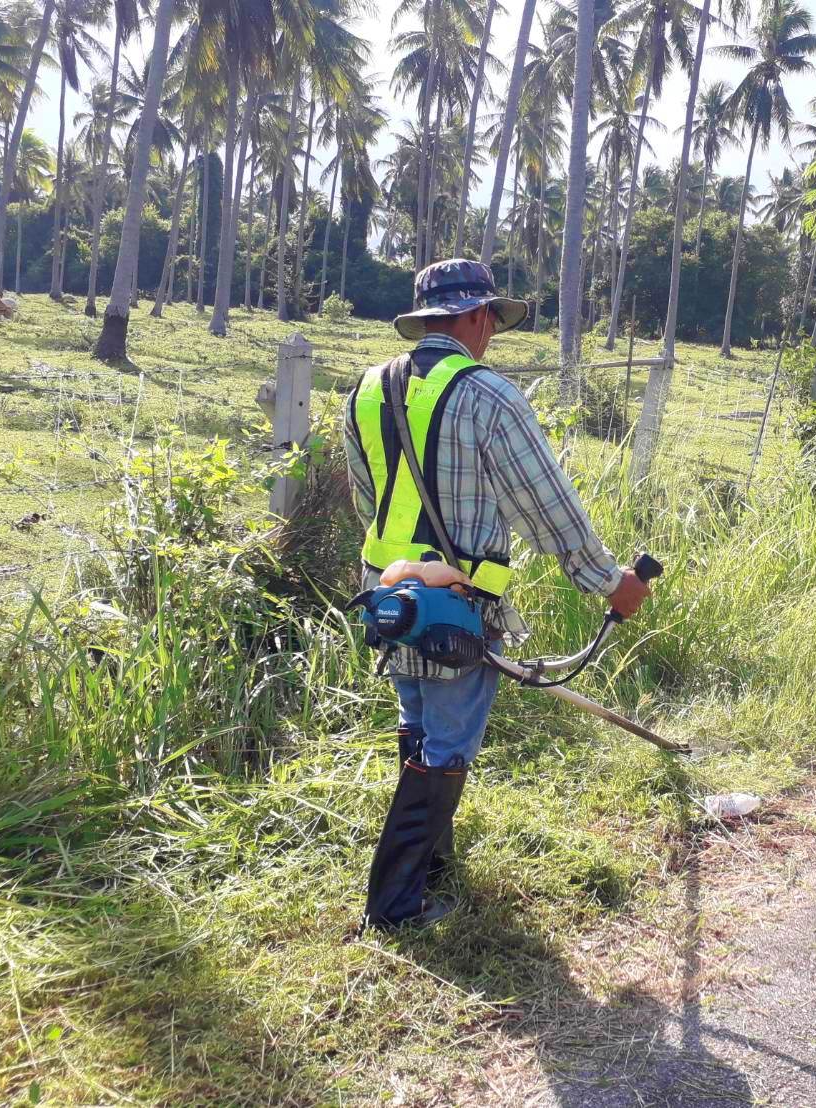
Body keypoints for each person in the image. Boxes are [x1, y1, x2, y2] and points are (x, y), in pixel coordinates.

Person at [344, 258, 651, 931]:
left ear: (424, 319)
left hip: (388, 600)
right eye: (491, 323)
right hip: (456, 605)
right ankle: (394, 906)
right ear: (480, 317)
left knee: (420, 728)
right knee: (447, 744)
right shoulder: (487, 395)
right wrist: (612, 583)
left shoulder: (367, 388)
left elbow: (367, 499)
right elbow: (549, 508)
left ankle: (431, 875)